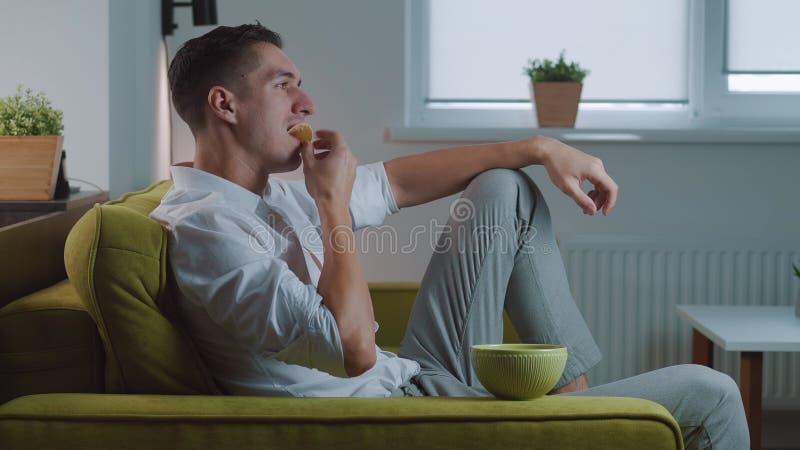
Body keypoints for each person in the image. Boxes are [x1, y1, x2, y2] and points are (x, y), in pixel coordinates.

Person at [150, 23, 749, 449]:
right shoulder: (208, 230)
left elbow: (398, 184)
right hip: (396, 414)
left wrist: (542, 147)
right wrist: (331, 203)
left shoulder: (269, 192)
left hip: (413, 374)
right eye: (284, 85)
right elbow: (354, 351)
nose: (306, 103)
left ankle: (572, 398)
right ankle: (571, 423)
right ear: (224, 104)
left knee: (503, 188)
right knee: (712, 391)